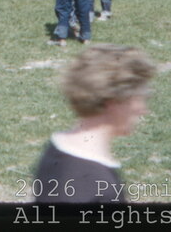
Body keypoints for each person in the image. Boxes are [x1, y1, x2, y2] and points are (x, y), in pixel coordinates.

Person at [33, 44, 155, 202]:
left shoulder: (56, 148)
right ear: (115, 100)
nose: (143, 109)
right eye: (139, 97)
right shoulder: (99, 187)